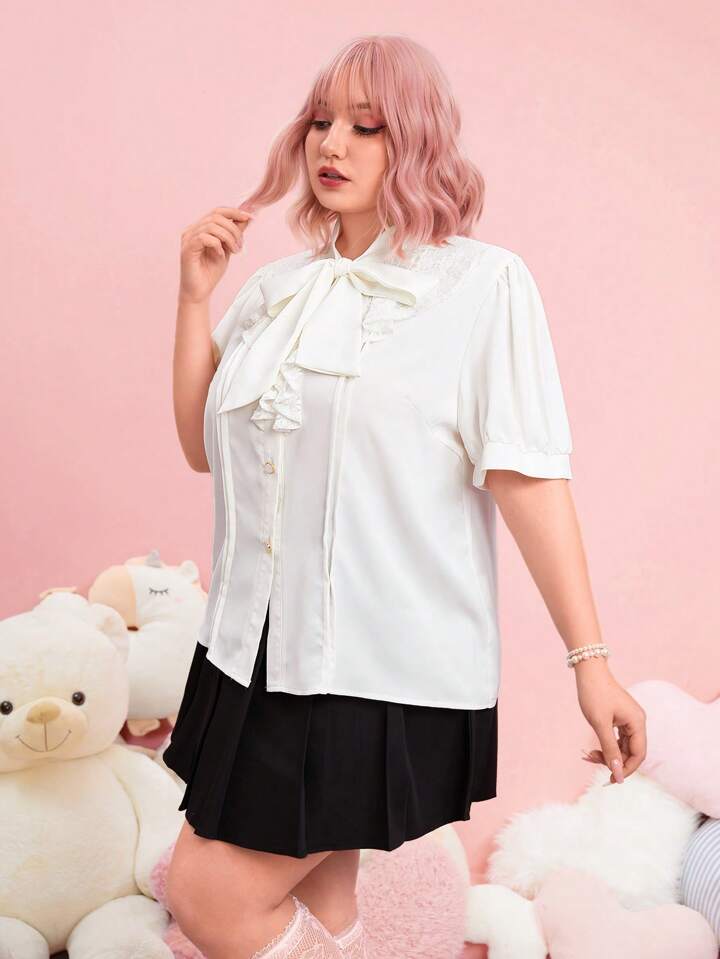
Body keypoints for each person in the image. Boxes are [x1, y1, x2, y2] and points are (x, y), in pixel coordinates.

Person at [163, 33, 647, 959]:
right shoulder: (274, 290)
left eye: (367, 126)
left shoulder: (481, 285)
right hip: (248, 651)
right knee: (323, 893)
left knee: (206, 892)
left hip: (378, 664)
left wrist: (590, 660)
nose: (332, 144)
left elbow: (528, 478)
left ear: (416, 140)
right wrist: (194, 299)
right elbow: (200, 448)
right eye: (321, 121)